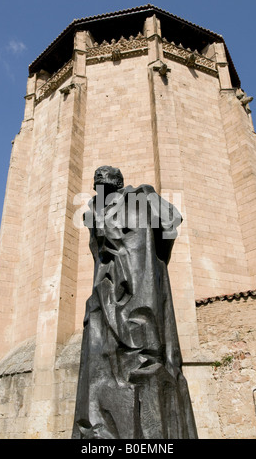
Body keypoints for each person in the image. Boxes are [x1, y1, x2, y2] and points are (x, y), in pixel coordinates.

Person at [72, 166, 198, 439]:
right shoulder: (93, 212)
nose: (100, 187)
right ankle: (97, 428)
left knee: (143, 345)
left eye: (106, 182)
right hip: (106, 288)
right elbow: (97, 251)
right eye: (98, 184)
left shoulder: (143, 199)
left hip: (139, 282)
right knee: (99, 354)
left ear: (118, 183)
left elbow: (170, 224)